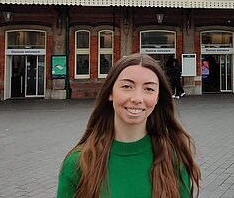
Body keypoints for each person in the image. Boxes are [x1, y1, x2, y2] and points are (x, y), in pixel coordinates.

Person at [57, 53, 201, 197]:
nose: (137, 98)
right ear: (110, 92)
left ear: (157, 98)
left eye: (149, 89)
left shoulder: (173, 158)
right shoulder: (78, 163)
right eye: (127, 86)